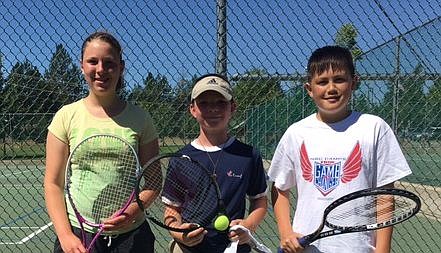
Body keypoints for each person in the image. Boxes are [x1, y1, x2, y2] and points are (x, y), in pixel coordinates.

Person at [268, 45, 412, 253]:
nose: (331, 88)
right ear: (309, 89)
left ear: (354, 82)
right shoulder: (296, 133)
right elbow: (280, 187)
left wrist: (382, 249)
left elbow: (385, 195)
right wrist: (286, 233)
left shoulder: (374, 127)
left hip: (358, 247)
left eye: (339, 79)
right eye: (322, 82)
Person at [44, 31, 159, 253]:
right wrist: (66, 236)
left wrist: (132, 211)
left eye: (109, 63)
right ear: (81, 66)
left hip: (132, 237)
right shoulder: (65, 116)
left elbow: (153, 182)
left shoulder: (141, 118)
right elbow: (53, 184)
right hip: (78, 234)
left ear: (121, 67)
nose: (100, 70)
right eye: (92, 61)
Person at [167, 73, 268, 253]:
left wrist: (248, 226)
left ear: (233, 107)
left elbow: (259, 200)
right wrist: (179, 234)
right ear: (192, 109)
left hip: (233, 248)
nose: (212, 109)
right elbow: (171, 209)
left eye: (220, 103)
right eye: (204, 103)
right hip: (188, 249)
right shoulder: (180, 159)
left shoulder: (248, 155)